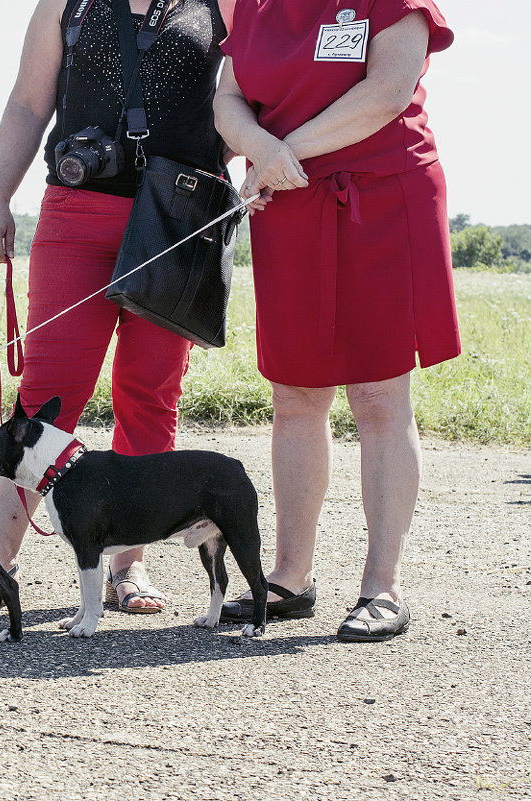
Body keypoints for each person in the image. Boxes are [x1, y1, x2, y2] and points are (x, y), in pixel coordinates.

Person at [0, 0, 236, 616]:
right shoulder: (67, 5)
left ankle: (130, 567)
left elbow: (243, 103)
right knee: (46, 395)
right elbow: (27, 103)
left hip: (175, 219)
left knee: (149, 394)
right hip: (76, 215)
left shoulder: (219, 5)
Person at [212, 0, 459, 641]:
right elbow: (228, 100)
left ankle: (382, 586)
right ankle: (290, 578)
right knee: (295, 392)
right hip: (289, 202)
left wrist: (278, 153)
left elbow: (386, 92)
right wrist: (261, 149)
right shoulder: (252, 5)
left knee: (378, 393)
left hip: (383, 196)